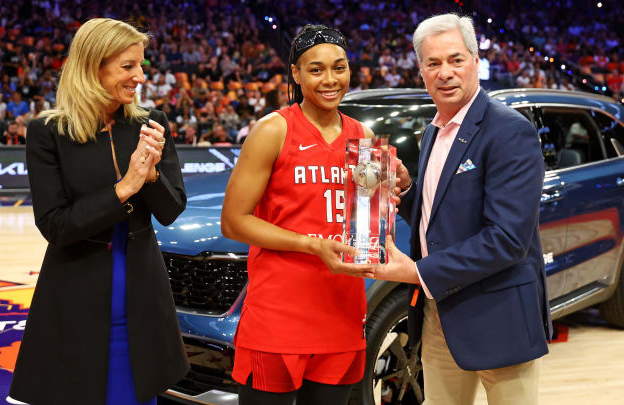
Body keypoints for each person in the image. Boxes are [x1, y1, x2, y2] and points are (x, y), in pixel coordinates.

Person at [220, 25, 409, 405]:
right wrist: (309, 244)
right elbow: (234, 220)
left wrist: (393, 191)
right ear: (296, 73)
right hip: (278, 317)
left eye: (339, 68)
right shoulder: (274, 129)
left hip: (341, 315)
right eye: (316, 69)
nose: (330, 80)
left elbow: (367, 223)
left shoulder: (364, 140)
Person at [10, 18, 189, 405]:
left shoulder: (151, 123)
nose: (140, 76)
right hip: (75, 302)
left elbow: (172, 211)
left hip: (143, 300)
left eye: (141, 65)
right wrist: (125, 187)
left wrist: (153, 174)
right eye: (127, 67)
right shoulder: (48, 131)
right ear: (93, 67)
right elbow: (56, 226)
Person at [376, 13, 551, 405]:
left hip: (499, 313)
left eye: (456, 60)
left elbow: (507, 240)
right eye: (433, 63)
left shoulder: (509, 131)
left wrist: (417, 271)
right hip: (440, 315)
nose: (445, 73)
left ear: (475, 61)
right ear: (420, 70)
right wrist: (408, 190)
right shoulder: (433, 130)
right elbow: (442, 218)